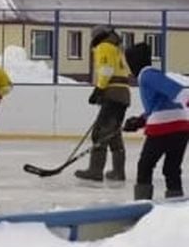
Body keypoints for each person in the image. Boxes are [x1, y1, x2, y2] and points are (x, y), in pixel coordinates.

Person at [122, 42, 188, 200]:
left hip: (163, 128)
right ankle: (176, 205)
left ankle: (142, 206)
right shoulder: (152, 74)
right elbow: (160, 104)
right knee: (171, 169)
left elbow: (177, 91)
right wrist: (140, 120)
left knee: (145, 166)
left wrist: (186, 97)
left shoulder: (146, 74)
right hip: (182, 127)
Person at [75, 25, 131, 182]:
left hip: (112, 92)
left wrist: (99, 89)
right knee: (113, 133)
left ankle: (95, 171)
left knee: (100, 133)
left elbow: (106, 69)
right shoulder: (116, 48)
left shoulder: (104, 46)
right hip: (122, 93)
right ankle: (118, 172)